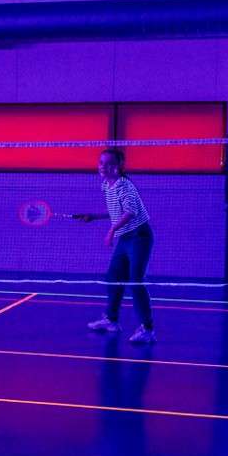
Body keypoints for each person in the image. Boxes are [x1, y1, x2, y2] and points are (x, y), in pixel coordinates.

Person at [73, 147, 156, 344]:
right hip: (125, 238)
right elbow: (117, 212)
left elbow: (130, 213)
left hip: (139, 237)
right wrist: (95, 217)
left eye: (109, 163)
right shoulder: (106, 185)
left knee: (135, 281)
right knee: (113, 277)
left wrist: (110, 231)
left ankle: (148, 329)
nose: (104, 166)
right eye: (101, 162)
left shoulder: (124, 186)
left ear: (119, 166)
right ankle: (111, 320)